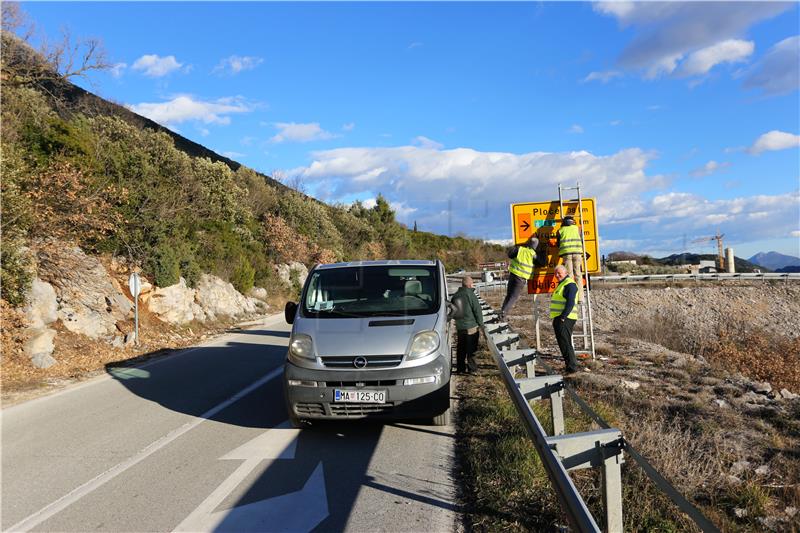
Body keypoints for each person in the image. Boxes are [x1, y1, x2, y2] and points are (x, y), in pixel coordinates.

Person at [499, 236, 538, 318]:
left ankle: (503, 311)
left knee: (509, 295)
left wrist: (518, 245)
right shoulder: (533, 254)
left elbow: (510, 254)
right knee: (513, 296)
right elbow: (542, 262)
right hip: (521, 279)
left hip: (513, 274)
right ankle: (503, 313)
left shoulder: (519, 249)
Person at [550, 265, 580, 374]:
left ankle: (572, 367)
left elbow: (570, 302)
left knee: (565, 343)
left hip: (565, 318)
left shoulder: (569, 284)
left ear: (566, 273)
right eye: (555, 273)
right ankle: (570, 366)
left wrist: (563, 316)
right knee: (563, 343)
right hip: (560, 318)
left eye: (559, 273)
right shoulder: (562, 284)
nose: (557, 275)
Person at [452, 276, 483, 374]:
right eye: (472, 283)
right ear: (470, 284)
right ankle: (472, 369)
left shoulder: (455, 295)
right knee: (471, 349)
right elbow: (477, 310)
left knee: (461, 348)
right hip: (471, 327)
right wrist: (481, 324)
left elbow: (453, 311)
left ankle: (460, 369)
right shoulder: (470, 294)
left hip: (460, 327)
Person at [557, 215, 583, 282]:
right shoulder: (577, 228)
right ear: (573, 221)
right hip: (577, 253)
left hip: (566, 254)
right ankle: (580, 292)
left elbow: (558, 244)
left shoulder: (560, 230)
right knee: (578, 275)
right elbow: (581, 240)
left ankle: (572, 291)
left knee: (569, 275)